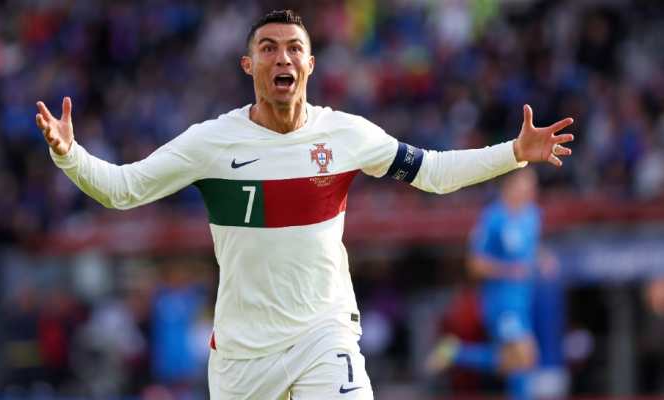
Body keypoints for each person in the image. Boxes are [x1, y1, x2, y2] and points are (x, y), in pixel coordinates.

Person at [35, 9, 574, 400]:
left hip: (324, 333)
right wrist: (69, 154)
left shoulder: (345, 135)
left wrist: (513, 153)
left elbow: (431, 173)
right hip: (244, 357)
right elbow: (124, 189)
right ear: (249, 65)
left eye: (293, 47)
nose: (282, 56)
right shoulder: (211, 143)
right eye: (268, 47)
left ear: (310, 63)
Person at [427, 168, 544, 400]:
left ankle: (457, 353)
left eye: (533, 184)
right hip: (501, 302)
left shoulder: (533, 215)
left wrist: (544, 259)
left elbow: (529, 251)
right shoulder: (493, 218)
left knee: (514, 362)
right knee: (525, 356)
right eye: (526, 183)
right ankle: (457, 353)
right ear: (509, 184)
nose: (531, 189)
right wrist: (510, 270)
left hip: (523, 300)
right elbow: (475, 265)